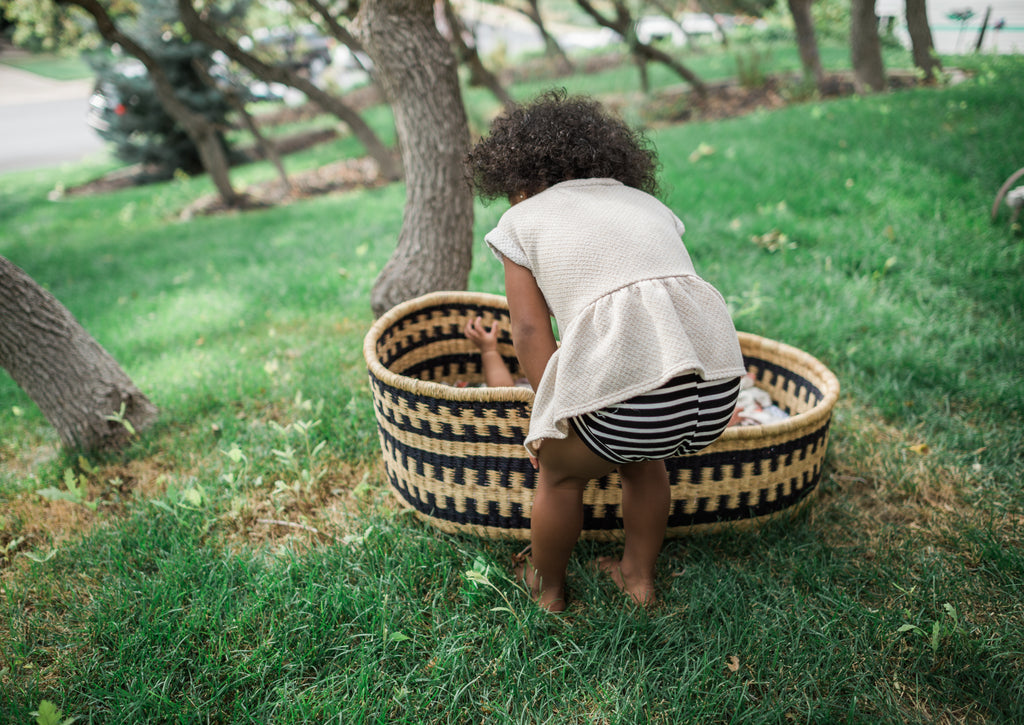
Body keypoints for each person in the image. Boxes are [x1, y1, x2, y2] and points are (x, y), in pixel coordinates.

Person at [464, 89, 746, 611]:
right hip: (714, 384)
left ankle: (546, 587)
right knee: (645, 464)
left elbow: (528, 331)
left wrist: (556, 411)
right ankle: (637, 577)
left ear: (518, 179)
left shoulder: (521, 222)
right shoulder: (647, 203)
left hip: (633, 404)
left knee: (560, 473)